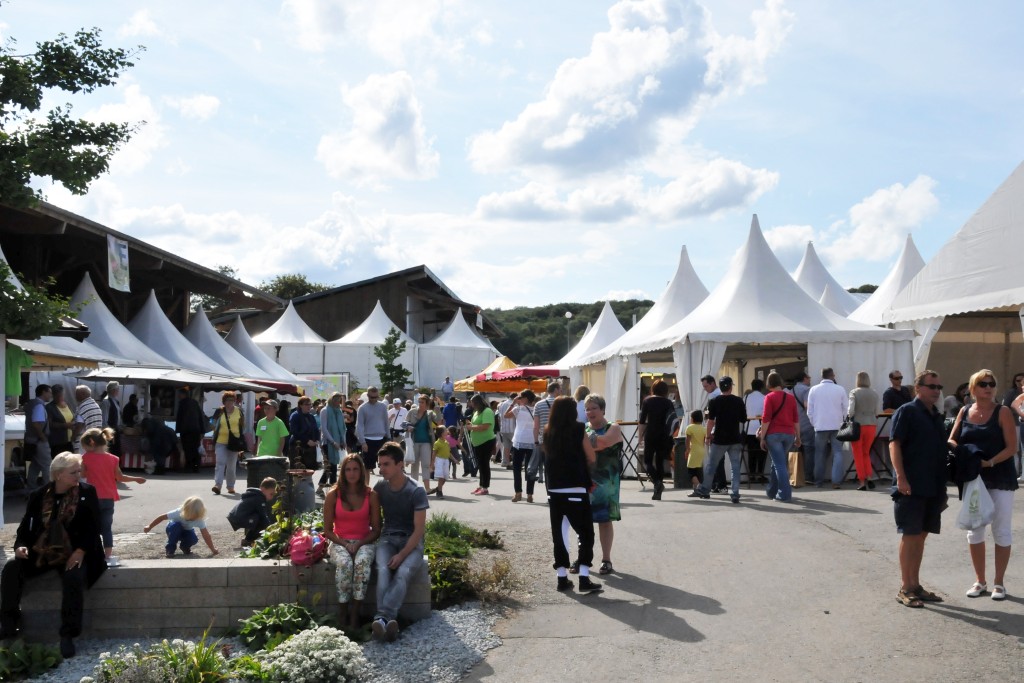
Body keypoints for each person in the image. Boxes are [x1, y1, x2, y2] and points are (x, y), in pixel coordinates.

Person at [0, 452, 106, 657]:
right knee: (12, 567)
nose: (78, 475)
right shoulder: (39, 495)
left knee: (73, 577)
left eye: (79, 471)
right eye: (73, 472)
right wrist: (20, 546)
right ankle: (9, 624)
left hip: (77, 551)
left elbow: (94, 527)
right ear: (58, 474)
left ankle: (68, 634)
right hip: (45, 551)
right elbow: (25, 528)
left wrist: (80, 551)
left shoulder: (87, 493)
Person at [950, 370, 1018, 601]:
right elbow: (952, 439)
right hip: (974, 478)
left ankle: (999, 583)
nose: (988, 387)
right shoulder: (965, 411)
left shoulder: (1003, 411)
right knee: (975, 529)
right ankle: (980, 581)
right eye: (982, 384)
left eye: (991, 384)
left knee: (1001, 529)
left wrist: (989, 462)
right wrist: (964, 453)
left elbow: (1012, 447)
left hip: (1000, 477)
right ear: (973, 388)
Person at [890, 370, 949, 608]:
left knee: (921, 535)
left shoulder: (935, 414)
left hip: (933, 484)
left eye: (939, 387)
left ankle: (915, 585)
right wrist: (901, 478)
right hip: (911, 484)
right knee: (911, 534)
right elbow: (895, 444)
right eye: (931, 386)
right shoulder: (907, 411)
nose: (936, 391)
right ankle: (905, 587)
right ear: (918, 388)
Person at [371, 442, 428, 642]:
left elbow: (419, 530)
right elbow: (372, 516)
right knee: (383, 569)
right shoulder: (380, 487)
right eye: (380, 464)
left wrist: (402, 555)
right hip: (387, 538)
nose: (381, 469)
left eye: (386, 464)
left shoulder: (416, 490)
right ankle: (387, 622)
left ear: (400, 464)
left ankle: (381, 618)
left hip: (411, 542)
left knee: (403, 572)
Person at [544, 395, 601, 593]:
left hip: (554, 488)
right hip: (576, 487)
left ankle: (562, 578)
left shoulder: (548, 431)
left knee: (560, 534)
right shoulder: (578, 429)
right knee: (585, 533)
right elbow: (591, 456)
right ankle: (584, 577)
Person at [324, 454, 381, 630]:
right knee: (345, 563)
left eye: (356, 469)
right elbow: (327, 530)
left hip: (364, 541)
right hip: (339, 541)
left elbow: (376, 529)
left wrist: (359, 544)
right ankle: (343, 612)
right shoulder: (333, 495)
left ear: (362, 471)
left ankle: (355, 613)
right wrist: (345, 544)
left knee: (362, 563)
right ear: (342, 472)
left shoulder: (371, 495)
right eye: (348, 469)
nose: (352, 473)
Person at [80, 428, 145, 559]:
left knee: (91, 525)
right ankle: (108, 555)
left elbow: (82, 474)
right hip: (108, 498)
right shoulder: (113, 459)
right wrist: (135, 479)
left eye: (84, 446)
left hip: (92, 498)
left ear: (91, 443)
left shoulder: (85, 458)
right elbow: (120, 478)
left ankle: (91, 551)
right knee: (107, 528)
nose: (84, 449)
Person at [583, 394, 623, 576]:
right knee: (582, 521)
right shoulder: (583, 428)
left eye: (594, 408)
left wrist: (583, 440)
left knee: (604, 521)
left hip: (607, 482)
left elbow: (604, 442)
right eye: (587, 409)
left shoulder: (613, 427)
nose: (590, 412)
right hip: (585, 480)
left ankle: (606, 559)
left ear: (603, 409)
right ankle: (583, 557)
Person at [689, 376, 746, 503]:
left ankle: (705, 489)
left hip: (720, 439)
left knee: (711, 465)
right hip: (735, 438)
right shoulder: (738, 401)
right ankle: (735, 492)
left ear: (720, 387)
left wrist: (708, 435)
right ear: (731, 387)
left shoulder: (714, 401)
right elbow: (743, 419)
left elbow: (710, 421)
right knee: (735, 467)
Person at [757, 372, 799, 502]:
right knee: (777, 462)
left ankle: (784, 495)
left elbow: (766, 419)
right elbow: (796, 419)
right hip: (789, 435)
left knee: (779, 464)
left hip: (774, 435)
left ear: (769, 384)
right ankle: (772, 491)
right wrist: (798, 436)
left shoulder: (769, 397)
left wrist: (762, 437)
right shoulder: (791, 398)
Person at [807, 368, 849, 488]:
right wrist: (843, 421)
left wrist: (814, 423)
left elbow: (810, 411)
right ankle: (836, 481)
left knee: (819, 454)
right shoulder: (840, 389)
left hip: (820, 426)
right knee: (837, 452)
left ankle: (818, 481)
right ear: (833, 375)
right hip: (837, 425)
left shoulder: (813, 390)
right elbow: (846, 408)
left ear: (822, 376)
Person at [143, 496, 220, 558]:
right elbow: (161, 517)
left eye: (195, 517)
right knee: (176, 526)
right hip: (173, 529)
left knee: (193, 539)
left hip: (187, 531)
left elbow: (206, 535)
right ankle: (170, 549)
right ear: (185, 510)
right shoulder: (178, 512)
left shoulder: (199, 520)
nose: (192, 519)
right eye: (190, 517)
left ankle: (184, 547)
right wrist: (149, 526)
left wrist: (213, 549)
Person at [637, 379, 675, 501]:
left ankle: (657, 483)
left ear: (653, 389)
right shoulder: (668, 402)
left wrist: (640, 436)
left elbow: (642, 421)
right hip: (664, 435)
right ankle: (658, 489)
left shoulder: (647, 401)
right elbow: (672, 419)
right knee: (659, 462)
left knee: (648, 461)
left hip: (651, 433)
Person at [849, 371, 880, 491]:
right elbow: (877, 412)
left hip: (858, 425)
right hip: (871, 424)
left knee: (857, 453)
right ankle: (869, 477)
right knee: (866, 452)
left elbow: (851, 411)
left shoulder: (854, 392)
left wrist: (850, 416)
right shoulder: (874, 393)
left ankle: (862, 481)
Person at [506, 389, 537, 503]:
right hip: (532, 441)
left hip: (519, 441)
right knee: (531, 469)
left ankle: (518, 493)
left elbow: (506, 415)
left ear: (526, 398)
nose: (519, 399)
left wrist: (513, 403)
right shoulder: (536, 409)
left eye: (521, 397)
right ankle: (530, 494)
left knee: (517, 468)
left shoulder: (518, 409)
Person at [228, 477, 278, 546]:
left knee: (259, 519)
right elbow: (263, 516)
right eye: (271, 494)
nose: (271, 497)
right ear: (263, 489)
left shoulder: (256, 495)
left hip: (236, 516)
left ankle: (249, 539)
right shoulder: (259, 498)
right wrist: (271, 529)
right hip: (238, 518)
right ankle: (248, 540)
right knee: (261, 520)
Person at [211, 391, 244, 495]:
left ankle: (230, 486)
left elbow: (242, 425)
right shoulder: (219, 411)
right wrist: (214, 429)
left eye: (232, 400)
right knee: (220, 463)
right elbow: (212, 422)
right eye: (227, 400)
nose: (230, 402)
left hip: (234, 442)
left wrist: (240, 441)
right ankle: (218, 485)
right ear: (224, 401)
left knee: (231, 465)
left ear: (234, 401)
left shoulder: (239, 411)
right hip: (221, 441)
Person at [699, 374, 727, 492]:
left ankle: (720, 484)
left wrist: (708, 433)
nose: (705, 389)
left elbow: (712, 418)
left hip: (716, 430)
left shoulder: (714, 396)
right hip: (720, 430)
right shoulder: (717, 394)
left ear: (712, 383)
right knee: (717, 459)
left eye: (706, 386)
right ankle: (717, 484)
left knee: (716, 459)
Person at [356, 386, 389, 483]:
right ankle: (366, 486)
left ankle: (385, 486)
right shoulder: (362, 408)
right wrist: (363, 442)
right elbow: (359, 426)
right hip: (368, 440)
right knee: (367, 466)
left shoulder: (383, 407)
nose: (374, 399)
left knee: (385, 465)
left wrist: (389, 438)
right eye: (371, 397)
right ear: (367, 395)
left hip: (382, 439)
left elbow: (386, 423)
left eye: (376, 397)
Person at [405, 395, 436, 494]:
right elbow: (404, 423)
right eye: (419, 402)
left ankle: (427, 488)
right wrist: (408, 427)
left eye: (422, 402)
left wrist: (436, 406)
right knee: (414, 464)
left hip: (426, 442)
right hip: (414, 441)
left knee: (426, 464)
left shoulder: (430, 413)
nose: (420, 404)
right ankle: (414, 488)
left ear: (427, 404)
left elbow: (439, 420)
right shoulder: (412, 411)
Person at [533, 381, 563, 485]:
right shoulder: (562, 403)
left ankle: (549, 489)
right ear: (556, 390)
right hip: (560, 439)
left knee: (547, 464)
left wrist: (536, 441)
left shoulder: (538, 404)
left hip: (544, 439)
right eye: (560, 389)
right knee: (558, 465)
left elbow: (536, 426)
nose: (561, 391)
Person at [466, 394, 496, 495]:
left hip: (486, 441)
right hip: (478, 443)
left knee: (484, 465)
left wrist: (471, 428)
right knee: (481, 465)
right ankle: (481, 485)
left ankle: (485, 487)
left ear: (477, 402)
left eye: (473, 403)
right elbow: (475, 424)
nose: (471, 405)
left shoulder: (487, 411)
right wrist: (469, 424)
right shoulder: (476, 412)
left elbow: (485, 426)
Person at [319, 393, 347, 497]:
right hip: (327, 442)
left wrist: (343, 441)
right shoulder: (325, 410)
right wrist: (333, 441)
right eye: (335, 400)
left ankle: (322, 487)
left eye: (339, 400)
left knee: (331, 466)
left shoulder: (339, 411)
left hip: (337, 442)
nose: (337, 402)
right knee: (331, 466)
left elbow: (342, 428)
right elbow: (324, 429)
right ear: (331, 399)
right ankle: (333, 489)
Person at [24, 384, 52, 488]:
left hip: (31, 439)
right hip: (39, 441)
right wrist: (42, 436)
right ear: (44, 392)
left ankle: (31, 488)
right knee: (47, 465)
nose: (50, 395)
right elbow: (36, 423)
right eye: (49, 392)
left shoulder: (31, 403)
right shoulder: (39, 406)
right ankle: (48, 489)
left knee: (35, 466)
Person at [791, 372, 816, 484]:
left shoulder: (791, 391)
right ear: (804, 378)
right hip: (806, 424)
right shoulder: (807, 390)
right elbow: (807, 406)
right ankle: (808, 477)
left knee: (795, 450)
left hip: (794, 425)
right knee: (809, 451)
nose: (810, 379)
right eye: (809, 377)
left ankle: (794, 477)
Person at [175, 388, 206, 473]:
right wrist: (202, 430)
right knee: (195, 448)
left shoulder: (182, 404)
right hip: (196, 430)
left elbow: (179, 418)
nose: (178, 396)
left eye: (179, 394)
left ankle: (188, 466)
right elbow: (200, 416)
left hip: (186, 430)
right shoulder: (195, 403)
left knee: (187, 448)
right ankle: (196, 467)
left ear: (183, 394)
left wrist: (178, 430)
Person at [743, 379, 768, 483]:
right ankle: (761, 474)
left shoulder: (746, 397)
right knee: (762, 452)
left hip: (748, 428)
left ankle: (752, 475)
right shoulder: (764, 398)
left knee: (751, 453)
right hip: (760, 428)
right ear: (762, 387)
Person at [289, 397, 321, 470]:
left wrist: (317, 440)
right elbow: (294, 432)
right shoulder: (295, 416)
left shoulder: (311, 417)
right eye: (306, 404)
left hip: (310, 449)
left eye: (310, 404)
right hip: (297, 447)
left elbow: (316, 430)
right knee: (297, 471)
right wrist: (307, 441)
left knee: (310, 471)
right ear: (300, 405)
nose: (309, 406)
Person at [72, 385, 103, 453]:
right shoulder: (96, 406)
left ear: (82, 394)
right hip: (94, 440)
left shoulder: (83, 407)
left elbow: (79, 425)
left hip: (83, 443)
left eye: (76, 394)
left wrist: (73, 437)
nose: (75, 397)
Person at [46, 384, 74, 456]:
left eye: (61, 396)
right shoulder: (49, 407)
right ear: (53, 396)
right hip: (57, 441)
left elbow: (72, 417)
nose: (59, 398)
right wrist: (65, 425)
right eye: (57, 396)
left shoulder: (67, 404)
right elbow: (49, 424)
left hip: (70, 440)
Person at [684, 410, 707, 490]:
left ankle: (699, 487)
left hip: (693, 451)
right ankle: (696, 490)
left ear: (692, 418)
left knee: (690, 471)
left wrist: (687, 450)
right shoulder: (704, 429)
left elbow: (687, 440)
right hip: (702, 450)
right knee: (697, 470)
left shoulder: (690, 427)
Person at [430, 426, 452, 498]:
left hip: (446, 461)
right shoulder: (437, 443)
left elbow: (449, 453)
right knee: (441, 477)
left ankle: (438, 488)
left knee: (445, 477)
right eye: (445, 430)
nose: (447, 430)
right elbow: (434, 454)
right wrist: (432, 464)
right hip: (439, 461)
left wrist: (455, 460)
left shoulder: (446, 442)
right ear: (442, 434)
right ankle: (439, 492)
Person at [497, 392, 517, 468]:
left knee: (506, 446)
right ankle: (515, 462)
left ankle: (506, 462)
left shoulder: (502, 404)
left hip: (503, 428)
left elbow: (499, 416)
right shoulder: (514, 405)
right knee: (515, 446)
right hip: (512, 428)